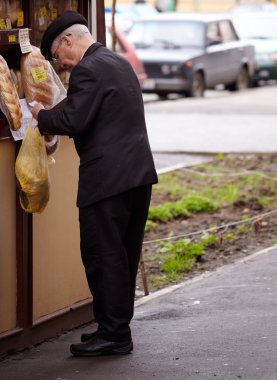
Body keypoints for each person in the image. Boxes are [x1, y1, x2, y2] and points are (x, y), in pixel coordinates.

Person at [30, 10, 158, 357]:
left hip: (108, 180)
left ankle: (114, 336)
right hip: (137, 175)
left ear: (68, 41)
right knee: (123, 255)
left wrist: (40, 116)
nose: (63, 65)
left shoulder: (89, 68)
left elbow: (74, 119)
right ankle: (112, 328)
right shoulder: (116, 62)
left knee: (103, 256)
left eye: (59, 57)